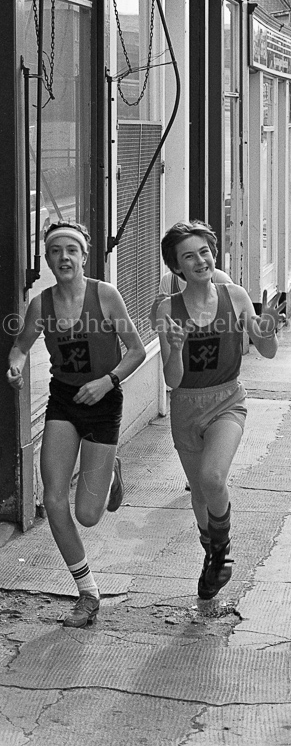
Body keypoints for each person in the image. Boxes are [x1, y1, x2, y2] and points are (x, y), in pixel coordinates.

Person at [6, 221, 146, 627]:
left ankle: (110, 470)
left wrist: (108, 381)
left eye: (71, 250)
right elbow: (21, 345)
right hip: (64, 401)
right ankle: (87, 592)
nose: (63, 257)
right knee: (53, 501)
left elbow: (135, 350)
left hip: (103, 401)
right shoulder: (41, 304)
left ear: (84, 256)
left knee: (88, 515)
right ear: (47, 259)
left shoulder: (105, 295)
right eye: (55, 251)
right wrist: (15, 365)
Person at [156, 221, 284, 601]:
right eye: (189, 256)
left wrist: (267, 327)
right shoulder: (167, 308)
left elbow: (268, 351)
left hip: (228, 400)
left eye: (205, 252)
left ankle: (223, 548)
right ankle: (211, 555)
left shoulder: (236, 295)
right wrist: (176, 348)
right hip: (186, 406)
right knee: (199, 491)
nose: (200, 260)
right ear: (177, 267)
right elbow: (173, 380)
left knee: (212, 477)